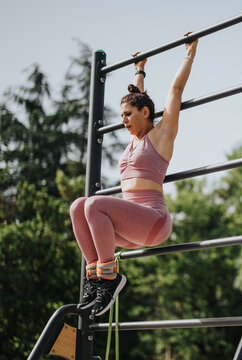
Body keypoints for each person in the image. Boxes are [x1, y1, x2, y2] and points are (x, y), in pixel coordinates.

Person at [69, 34, 198, 316]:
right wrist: (140, 69)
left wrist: (189, 54)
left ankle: (110, 278)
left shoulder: (161, 135)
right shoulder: (133, 142)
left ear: (145, 113)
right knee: (78, 206)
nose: (123, 120)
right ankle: (95, 279)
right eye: (122, 115)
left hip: (154, 221)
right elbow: (139, 97)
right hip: (131, 228)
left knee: (93, 203)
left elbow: (175, 91)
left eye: (128, 114)